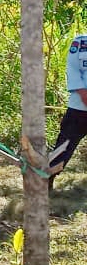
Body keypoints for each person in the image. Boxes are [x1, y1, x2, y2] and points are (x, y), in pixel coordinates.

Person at [49, 33, 87, 184]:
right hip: (80, 107)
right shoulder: (80, 42)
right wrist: (84, 94)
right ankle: (47, 177)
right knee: (65, 146)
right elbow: (72, 69)